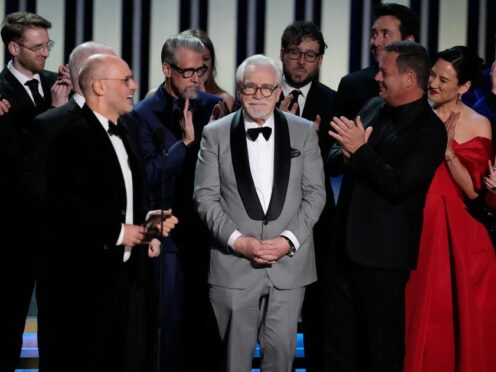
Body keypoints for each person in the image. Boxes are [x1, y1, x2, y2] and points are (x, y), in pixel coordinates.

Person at [43, 54, 177, 372]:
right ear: (100, 87)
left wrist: (147, 227)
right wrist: (119, 232)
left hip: (126, 276)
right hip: (85, 277)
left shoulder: (126, 129)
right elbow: (64, 207)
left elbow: (124, 195)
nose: (133, 86)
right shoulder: (70, 133)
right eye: (125, 80)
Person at [194, 54, 326, 372]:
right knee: (232, 361)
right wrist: (239, 242)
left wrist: (288, 240)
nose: (258, 95)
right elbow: (205, 198)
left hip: (289, 265)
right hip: (234, 265)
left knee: (281, 357)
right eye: (250, 87)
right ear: (239, 91)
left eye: (266, 88)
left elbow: (316, 195)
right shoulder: (215, 133)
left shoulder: (304, 131)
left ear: (279, 90)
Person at [325, 41, 447, 372]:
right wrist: (349, 151)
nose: (377, 76)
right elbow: (335, 156)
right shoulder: (374, 106)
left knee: (380, 351)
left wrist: (360, 152)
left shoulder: (430, 131)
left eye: (385, 72)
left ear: (409, 78)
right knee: (337, 350)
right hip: (342, 252)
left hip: (383, 260)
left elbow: (400, 185)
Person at [130, 34, 221, 372]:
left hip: (211, 232)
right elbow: (148, 177)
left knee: (207, 329)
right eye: (188, 72)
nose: (196, 78)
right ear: (167, 69)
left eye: (202, 70)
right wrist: (185, 144)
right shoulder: (142, 115)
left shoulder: (214, 105)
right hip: (168, 237)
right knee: (169, 328)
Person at [404, 46, 496, 372]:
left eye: (444, 79)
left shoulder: (479, 124)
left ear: (465, 87)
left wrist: (446, 151)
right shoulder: (412, 113)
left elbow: (473, 190)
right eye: (432, 74)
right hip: (414, 228)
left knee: (452, 320)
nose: (433, 83)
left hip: (459, 236)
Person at [0, 11, 71, 371]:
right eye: (38, 46)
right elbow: (16, 158)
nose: (45, 53)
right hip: (15, 225)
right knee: (10, 312)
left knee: (59, 316)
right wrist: (55, 114)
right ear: (14, 47)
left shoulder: (57, 83)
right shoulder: (0, 92)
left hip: (59, 223)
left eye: (48, 45)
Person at [278, 20, 336, 371]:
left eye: (310, 55)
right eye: (296, 53)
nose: (301, 62)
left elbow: (340, 161)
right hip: (265, 219)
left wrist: (310, 143)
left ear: (320, 59)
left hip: (316, 224)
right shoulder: (261, 93)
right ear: (282, 54)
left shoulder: (335, 100)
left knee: (317, 313)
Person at [334, 3, 418, 120]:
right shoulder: (353, 85)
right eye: (374, 34)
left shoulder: (428, 83)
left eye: (386, 34)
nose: (376, 42)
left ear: (408, 41)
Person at [180, 28, 235, 112]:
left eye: (205, 59)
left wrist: (206, 100)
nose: (200, 65)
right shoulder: (157, 98)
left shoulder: (224, 100)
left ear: (212, 63)